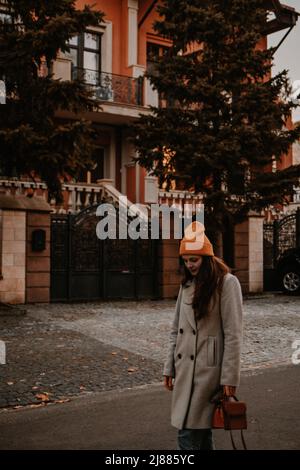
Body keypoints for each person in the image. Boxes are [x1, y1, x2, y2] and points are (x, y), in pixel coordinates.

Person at [163, 221, 243, 450]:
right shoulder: (187, 284)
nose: (189, 265)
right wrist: (169, 367)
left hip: (210, 372)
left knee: (187, 436)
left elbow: (233, 334)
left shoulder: (227, 283)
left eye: (194, 260)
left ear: (207, 258)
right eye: (186, 260)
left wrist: (230, 377)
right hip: (186, 370)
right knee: (200, 435)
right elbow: (175, 327)